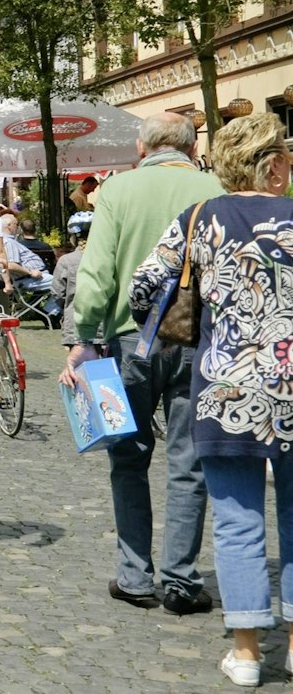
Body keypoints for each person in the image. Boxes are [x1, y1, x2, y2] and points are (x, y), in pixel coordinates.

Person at [123, 113, 292, 686]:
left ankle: (246, 652)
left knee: (238, 523)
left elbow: (141, 288)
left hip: (226, 390)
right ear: (271, 166)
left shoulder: (200, 219)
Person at [58, 111, 224, 616]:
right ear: (192, 147)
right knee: (189, 461)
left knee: (128, 457)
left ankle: (134, 576)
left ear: (141, 146)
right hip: (198, 337)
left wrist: (83, 335)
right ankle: (180, 578)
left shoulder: (118, 190)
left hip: (130, 339)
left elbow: (97, 270)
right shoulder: (217, 186)